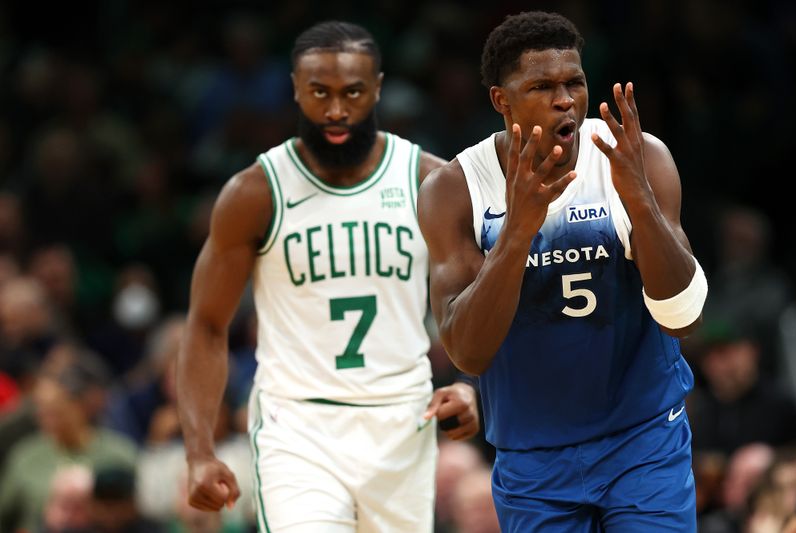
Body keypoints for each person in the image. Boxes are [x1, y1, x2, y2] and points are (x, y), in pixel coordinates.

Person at [176, 20, 480, 532]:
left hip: (403, 421)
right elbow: (206, 324)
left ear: (377, 89)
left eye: (352, 92)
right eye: (320, 92)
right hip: (297, 427)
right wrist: (199, 451)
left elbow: (479, 300)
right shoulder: (256, 192)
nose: (336, 110)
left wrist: (472, 386)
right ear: (296, 89)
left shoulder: (428, 180)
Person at [418, 11, 707, 532]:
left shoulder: (635, 158)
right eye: (542, 86)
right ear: (501, 101)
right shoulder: (456, 189)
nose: (564, 99)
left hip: (642, 438)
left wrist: (639, 203)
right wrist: (517, 234)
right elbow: (467, 350)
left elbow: (684, 318)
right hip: (533, 455)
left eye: (574, 82)